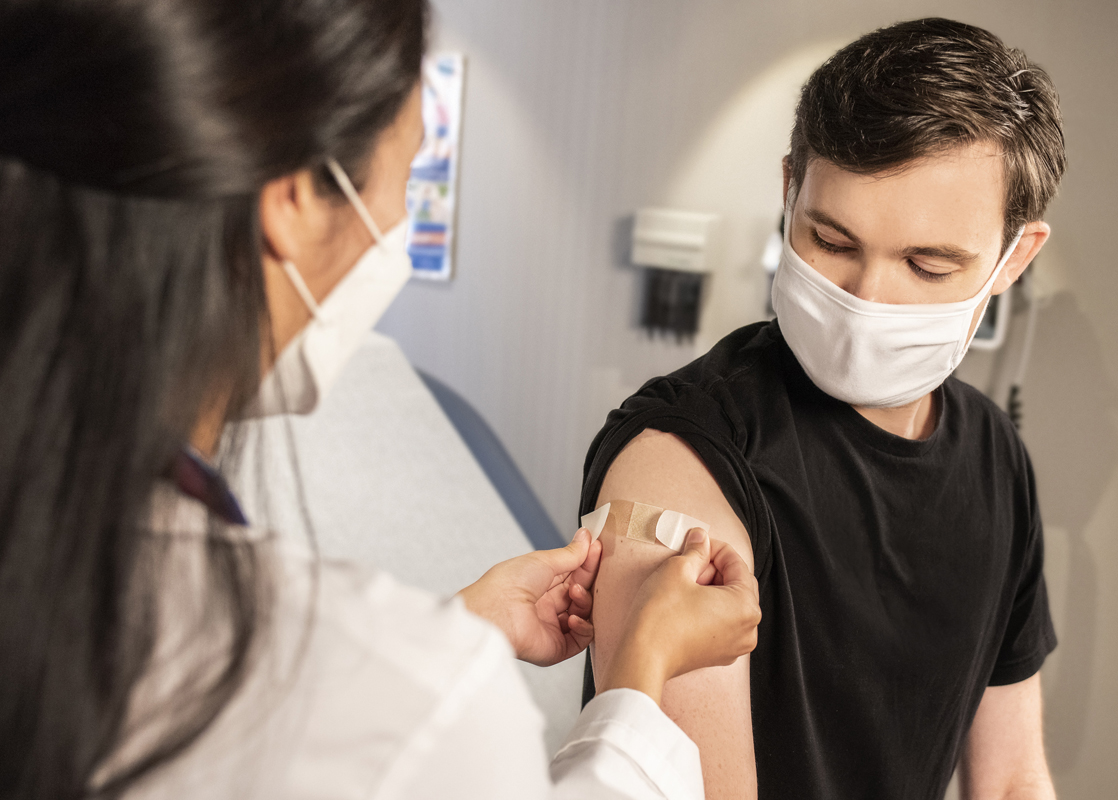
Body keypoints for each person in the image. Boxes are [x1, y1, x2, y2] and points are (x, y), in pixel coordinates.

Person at [0, 1, 761, 798]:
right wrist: (638, 681)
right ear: (293, 198)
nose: (402, 218)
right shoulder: (416, 698)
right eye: (414, 172)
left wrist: (457, 626)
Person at [582, 18, 1065, 800]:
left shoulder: (996, 459)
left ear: (1015, 256)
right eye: (831, 240)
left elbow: (1012, 779)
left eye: (927, 264)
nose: (865, 299)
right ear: (789, 192)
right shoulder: (684, 458)